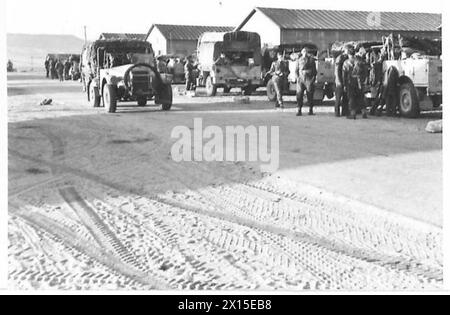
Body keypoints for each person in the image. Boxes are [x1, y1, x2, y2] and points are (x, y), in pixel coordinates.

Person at [343, 47, 368, 119]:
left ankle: (353, 114)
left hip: (350, 82)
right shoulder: (359, 61)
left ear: (348, 54)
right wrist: (363, 80)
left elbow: (344, 74)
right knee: (361, 97)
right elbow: (365, 72)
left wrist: (344, 84)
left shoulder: (346, 63)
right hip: (359, 82)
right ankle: (364, 113)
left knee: (351, 98)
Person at [295, 48, 317, 116]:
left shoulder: (311, 60)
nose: (305, 53)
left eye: (306, 52)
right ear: (302, 52)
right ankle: (299, 110)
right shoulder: (299, 60)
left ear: (307, 52)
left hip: (308, 79)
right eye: (303, 52)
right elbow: (296, 70)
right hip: (301, 79)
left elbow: (314, 71)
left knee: (310, 95)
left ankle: (310, 110)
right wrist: (298, 78)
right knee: (299, 95)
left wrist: (312, 79)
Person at [334, 45, 351, 117]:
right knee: (338, 97)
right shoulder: (340, 58)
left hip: (346, 80)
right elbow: (337, 71)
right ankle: (337, 112)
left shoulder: (347, 57)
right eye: (348, 50)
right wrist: (339, 81)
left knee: (345, 97)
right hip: (340, 80)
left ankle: (345, 112)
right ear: (345, 50)